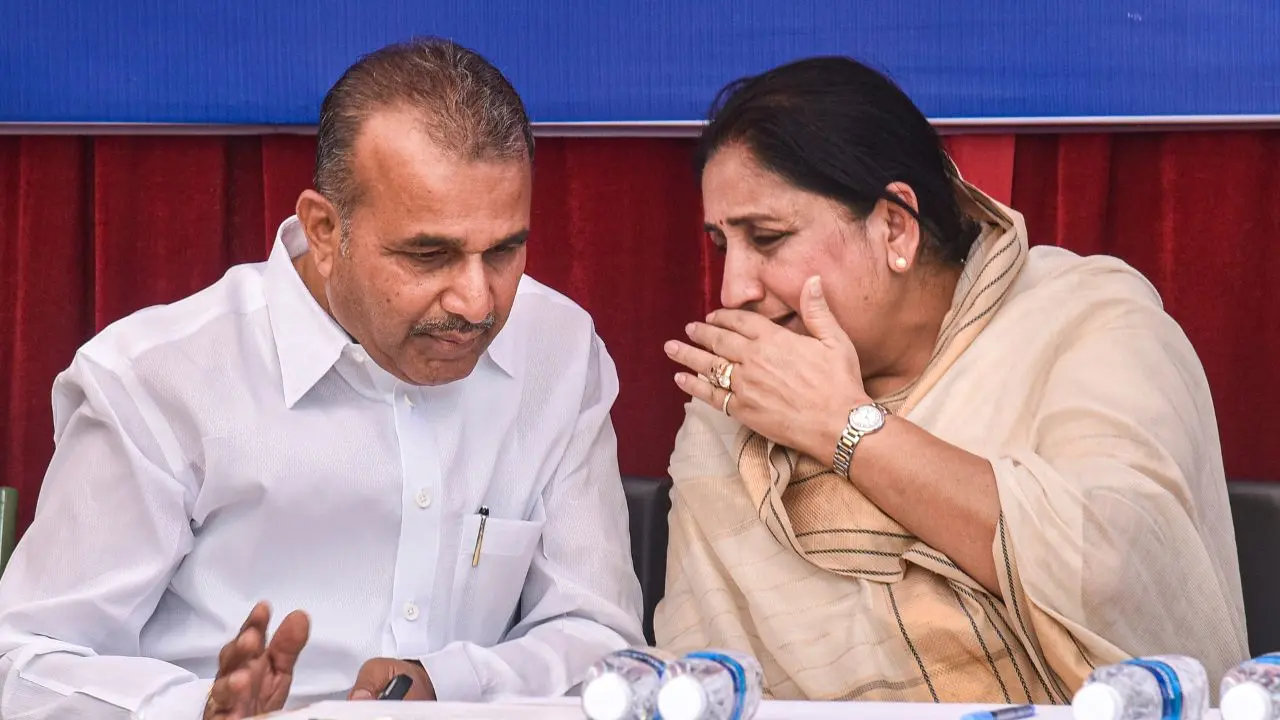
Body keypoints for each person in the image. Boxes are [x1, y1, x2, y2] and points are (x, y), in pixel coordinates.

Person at [0, 38, 644, 719]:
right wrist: (198, 711)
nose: (477, 302)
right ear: (325, 229)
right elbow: (26, 662)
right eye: (430, 255)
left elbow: (601, 639)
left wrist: (444, 683)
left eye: (505, 250)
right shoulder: (158, 381)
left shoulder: (558, 349)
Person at [655, 56, 1248, 704]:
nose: (733, 289)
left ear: (894, 227)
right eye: (721, 246)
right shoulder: (739, 400)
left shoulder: (1089, 320)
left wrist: (845, 428)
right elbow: (702, 681)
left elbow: (1115, 576)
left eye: (766, 239)